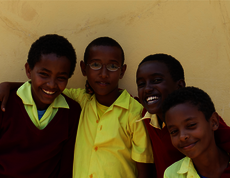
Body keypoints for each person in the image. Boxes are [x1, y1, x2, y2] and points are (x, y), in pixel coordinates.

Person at [0, 37, 154, 178]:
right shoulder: (80, 101)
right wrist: (8, 86)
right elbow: (46, 89)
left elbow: (144, 170)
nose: (104, 74)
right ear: (83, 69)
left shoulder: (135, 113)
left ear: (122, 71)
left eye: (113, 66)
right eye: (95, 65)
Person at [136, 53, 230, 178]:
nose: (147, 89)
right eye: (141, 84)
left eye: (157, 80)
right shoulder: (145, 117)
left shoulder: (202, 117)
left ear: (179, 85)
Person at [0, 34, 81, 178]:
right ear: (28, 70)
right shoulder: (5, 103)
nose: (51, 84)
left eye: (61, 77)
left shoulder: (71, 113)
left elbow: (66, 169)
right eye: (44, 74)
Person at [162, 87, 230, 178]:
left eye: (191, 125)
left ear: (214, 122)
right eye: (174, 131)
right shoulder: (172, 174)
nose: (182, 137)